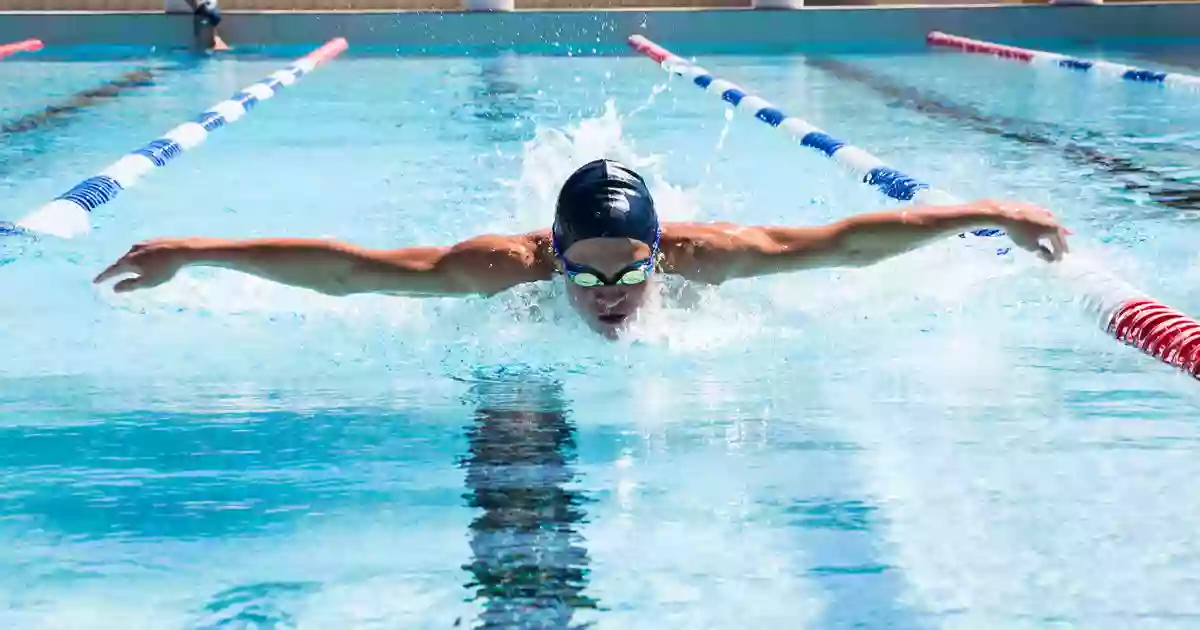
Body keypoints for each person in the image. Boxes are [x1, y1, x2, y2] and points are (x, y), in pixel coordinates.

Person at [93, 159, 1070, 339]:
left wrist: (988, 212)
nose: (609, 293)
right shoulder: (498, 268)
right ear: (551, 257)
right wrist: (196, 248)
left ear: (659, 253)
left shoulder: (707, 255)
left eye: (629, 269)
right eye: (586, 271)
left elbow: (851, 247)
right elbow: (349, 274)